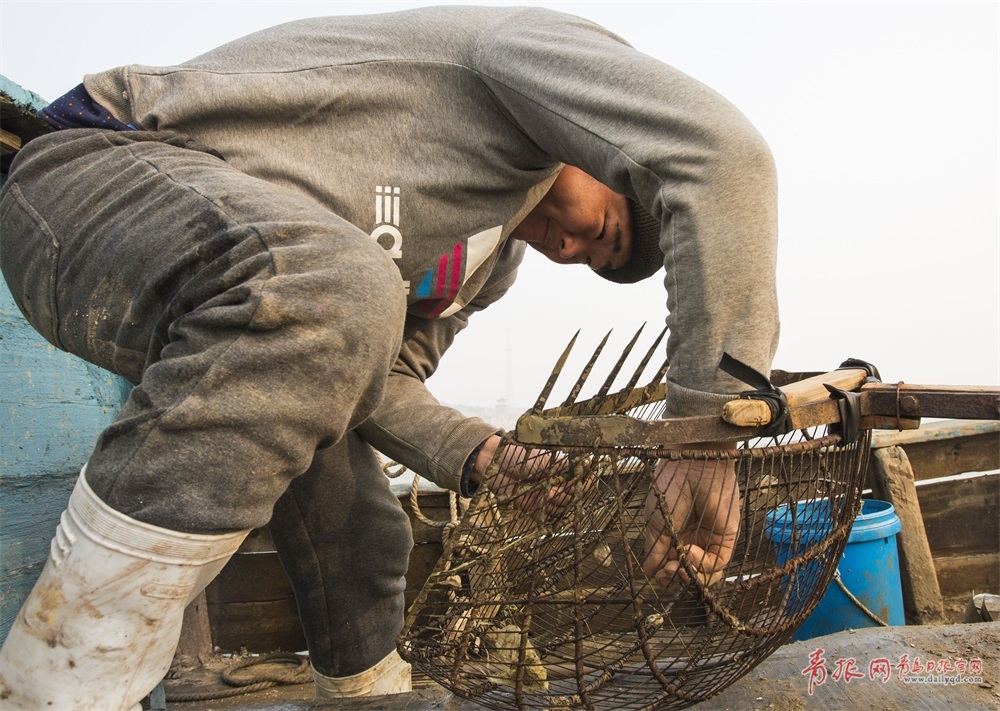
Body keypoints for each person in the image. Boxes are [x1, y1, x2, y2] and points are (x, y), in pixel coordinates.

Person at [0, 6, 778, 708]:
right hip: (96, 172)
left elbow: (383, 377)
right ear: (599, 149)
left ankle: (364, 689)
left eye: (584, 259)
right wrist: (706, 435)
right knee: (336, 290)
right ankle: (55, 689)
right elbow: (720, 156)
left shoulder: (483, 264)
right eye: (600, 226)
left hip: (256, 295)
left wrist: (477, 454)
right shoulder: (527, 51)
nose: (569, 246)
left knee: (362, 515)